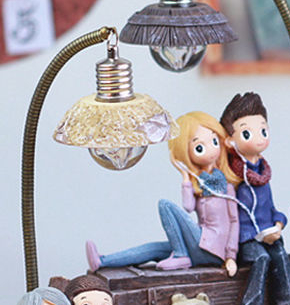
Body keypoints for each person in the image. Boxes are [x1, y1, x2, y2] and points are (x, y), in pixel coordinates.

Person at [86, 111, 240, 275]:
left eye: (214, 141)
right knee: (155, 249)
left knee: (165, 205)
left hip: (214, 250)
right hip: (199, 243)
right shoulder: (199, 184)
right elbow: (188, 207)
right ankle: (102, 261)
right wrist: (186, 178)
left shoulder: (226, 187)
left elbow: (234, 221)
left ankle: (180, 254)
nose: (211, 150)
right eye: (200, 148)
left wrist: (231, 256)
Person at [220, 91, 290, 305]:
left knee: (280, 255)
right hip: (245, 239)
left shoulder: (262, 172)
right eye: (247, 132)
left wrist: (278, 225)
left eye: (263, 130)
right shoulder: (232, 177)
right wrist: (252, 238)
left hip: (268, 233)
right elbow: (232, 217)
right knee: (261, 259)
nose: (260, 137)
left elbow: (271, 209)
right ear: (230, 140)